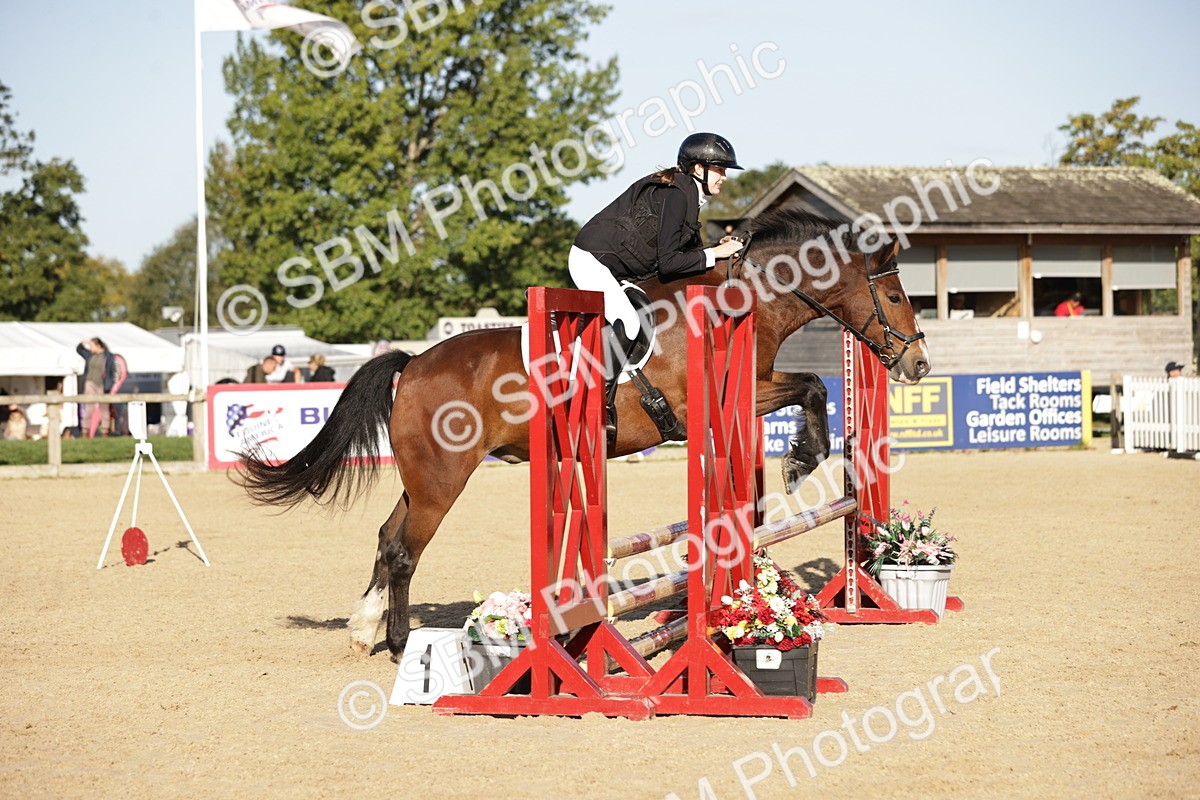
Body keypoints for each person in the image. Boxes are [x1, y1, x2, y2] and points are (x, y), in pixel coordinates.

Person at [570, 131, 746, 339]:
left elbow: (687, 253)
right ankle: (588, 372)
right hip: (593, 261)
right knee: (629, 325)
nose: (724, 178)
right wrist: (716, 253)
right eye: (720, 170)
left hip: (616, 268)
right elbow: (669, 263)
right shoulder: (676, 196)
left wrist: (718, 247)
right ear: (699, 168)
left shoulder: (687, 195)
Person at [75, 338, 118, 439]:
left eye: (92, 345)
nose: (90, 348)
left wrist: (109, 384)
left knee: (104, 408)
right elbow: (79, 350)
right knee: (88, 407)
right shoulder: (90, 356)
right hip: (90, 383)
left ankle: (105, 431)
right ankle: (85, 430)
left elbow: (112, 372)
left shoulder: (108, 356)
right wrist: (82, 343)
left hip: (102, 385)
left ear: (98, 345)